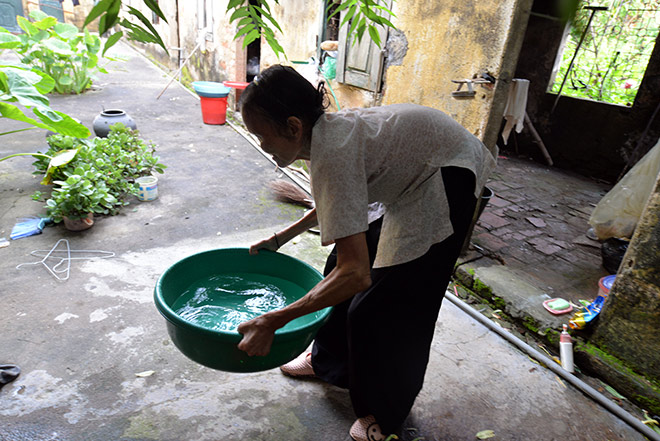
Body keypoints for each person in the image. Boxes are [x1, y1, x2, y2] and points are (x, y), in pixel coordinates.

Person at [236, 64, 496, 441]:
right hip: (408, 173)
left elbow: (356, 274)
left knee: (382, 307)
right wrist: (280, 238)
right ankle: (329, 363)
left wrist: (272, 320)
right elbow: (334, 200)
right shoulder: (321, 136)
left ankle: (385, 414)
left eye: (263, 136)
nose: (263, 146)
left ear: (293, 127)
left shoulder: (333, 151)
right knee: (333, 268)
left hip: (446, 174)